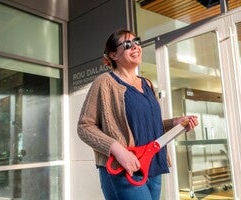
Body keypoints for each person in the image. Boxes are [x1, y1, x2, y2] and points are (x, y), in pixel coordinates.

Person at [77, 29, 198, 200]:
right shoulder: (105, 82)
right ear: (114, 55)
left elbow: (147, 125)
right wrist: (118, 151)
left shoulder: (147, 83)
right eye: (127, 44)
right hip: (124, 168)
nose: (135, 47)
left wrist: (176, 122)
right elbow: (84, 127)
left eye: (137, 42)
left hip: (154, 165)